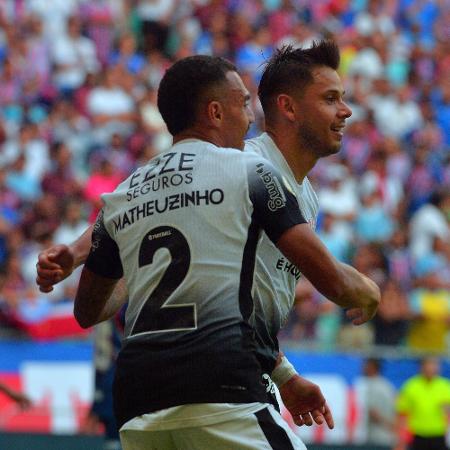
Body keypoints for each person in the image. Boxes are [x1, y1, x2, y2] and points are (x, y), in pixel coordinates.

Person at [36, 42, 379, 433]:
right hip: (220, 384)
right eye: (331, 98)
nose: (346, 110)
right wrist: (78, 254)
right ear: (288, 107)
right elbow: (147, 202)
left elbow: (133, 208)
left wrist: (284, 376)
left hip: (155, 391)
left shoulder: (304, 194)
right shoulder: (246, 166)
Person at [396, 357, 450, 450]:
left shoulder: (445, 386)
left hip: (439, 433)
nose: (431, 368)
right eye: (428, 365)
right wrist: (401, 437)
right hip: (417, 434)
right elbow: (402, 413)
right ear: (421, 367)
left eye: (434, 365)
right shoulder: (411, 386)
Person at [359, 358, 396, 446]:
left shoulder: (372, 386)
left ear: (372, 367)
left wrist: (388, 426)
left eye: (366, 365)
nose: (363, 368)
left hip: (377, 436)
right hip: (389, 436)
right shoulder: (387, 385)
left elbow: (373, 413)